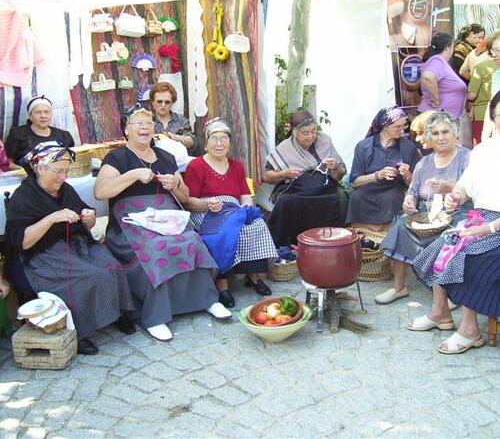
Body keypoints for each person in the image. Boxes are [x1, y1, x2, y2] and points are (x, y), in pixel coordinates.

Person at [95, 106, 230, 342]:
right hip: (130, 222)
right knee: (156, 246)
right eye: (138, 122)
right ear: (126, 129)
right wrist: (132, 175)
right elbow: (101, 191)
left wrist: (176, 183)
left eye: (148, 122)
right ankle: (155, 316)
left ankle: (207, 299)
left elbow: (185, 197)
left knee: (192, 240)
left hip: (166, 215)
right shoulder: (116, 157)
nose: (144, 127)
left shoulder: (165, 157)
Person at [5, 142, 135, 355]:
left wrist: (89, 217)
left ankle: (116, 314)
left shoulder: (65, 190)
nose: (63, 177)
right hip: (42, 253)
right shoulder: (24, 196)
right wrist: (52, 218)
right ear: (39, 168)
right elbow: (22, 241)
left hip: (77, 244)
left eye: (66, 171)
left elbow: (86, 224)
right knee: (90, 276)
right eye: (57, 171)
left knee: (112, 265)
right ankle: (78, 332)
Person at [409, 96, 500, 354]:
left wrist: (485, 229)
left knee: (467, 254)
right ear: (493, 119)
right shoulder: (484, 149)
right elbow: (466, 182)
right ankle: (440, 312)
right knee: (445, 242)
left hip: (496, 227)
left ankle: (470, 330)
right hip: (481, 216)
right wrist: (456, 195)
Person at [376, 112, 470, 304]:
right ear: (429, 137)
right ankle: (399, 287)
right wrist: (408, 201)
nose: (441, 137)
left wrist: (451, 189)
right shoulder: (424, 163)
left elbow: (475, 191)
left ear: (456, 134)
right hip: (426, 216)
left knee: (450, 236)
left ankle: (448, 293)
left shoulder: (467, 159)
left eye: (445, 132)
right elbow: (412, 192)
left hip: (458, 213)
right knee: (401, 225)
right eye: (435, 133)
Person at [184, 119, 276, 308]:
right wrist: (208, 204)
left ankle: (253, 276)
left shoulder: (236, 166)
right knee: (223, 232)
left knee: (256, 225)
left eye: (224, 139)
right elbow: (189, 202)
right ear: (206, 142)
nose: (219, 143)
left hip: (234, 209)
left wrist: (247, 208)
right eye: (214, 138)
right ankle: (222, 283)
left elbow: (244, 194)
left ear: (229, 143)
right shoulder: (196, 166)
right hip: (207, 211)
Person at [263, 110, 348, 247]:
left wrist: (335, 166)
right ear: (295, 134)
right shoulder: (285, 148)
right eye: (305, 133)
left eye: (314, 131)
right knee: (286, 201)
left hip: (324, 187)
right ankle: (291, 244)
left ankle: (332, 242)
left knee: (341, 198)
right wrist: (284, 174)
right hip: (298, 188)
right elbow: (266, 176)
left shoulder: (325, 141)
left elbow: (341, 173)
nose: (311, 136)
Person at [346, 106, 420, 232]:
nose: (402, 131)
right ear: (385, 126)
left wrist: (406, 174)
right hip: (369, 187)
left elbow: (416, 184)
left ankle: (389, 235)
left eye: (404, 126)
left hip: (395, 188)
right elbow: (354, 181)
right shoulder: (364, 146)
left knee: (392, 198)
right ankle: (362, 234)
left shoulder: (408, 147)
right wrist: (378, 175)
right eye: (397, 127)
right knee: (357, 196)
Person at [5, 95, 74, 170]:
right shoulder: (18, 134)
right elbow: (7, 163)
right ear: (30, 116)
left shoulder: (64, 135)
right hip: (27, 179)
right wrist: (26, 172)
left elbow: (72, 159)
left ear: (51, 114)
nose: (43, 116)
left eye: (46, 112)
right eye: (38, 112)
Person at [418, 33, 467, 120]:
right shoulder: (437, 60)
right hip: (437, 118)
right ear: (448, 47)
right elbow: (428, 76)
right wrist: (435, 98)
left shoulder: (439, 62)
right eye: (453, 46)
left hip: (442, 117)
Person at [467, 30, 500, 145]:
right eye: (493, 50)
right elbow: (492, 104)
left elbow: (472, 95)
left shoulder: (480, 67)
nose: (494, 54)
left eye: (498, 50)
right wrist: (485, 134)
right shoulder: (496, 75)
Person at [150, 82, 198, 156]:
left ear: (172, 103)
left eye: (167, 102)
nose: (163, 105)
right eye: (159, 101)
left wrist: (172, 137)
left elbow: (192, 142)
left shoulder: (181, 120)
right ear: (153, 102)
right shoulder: (146, 120)